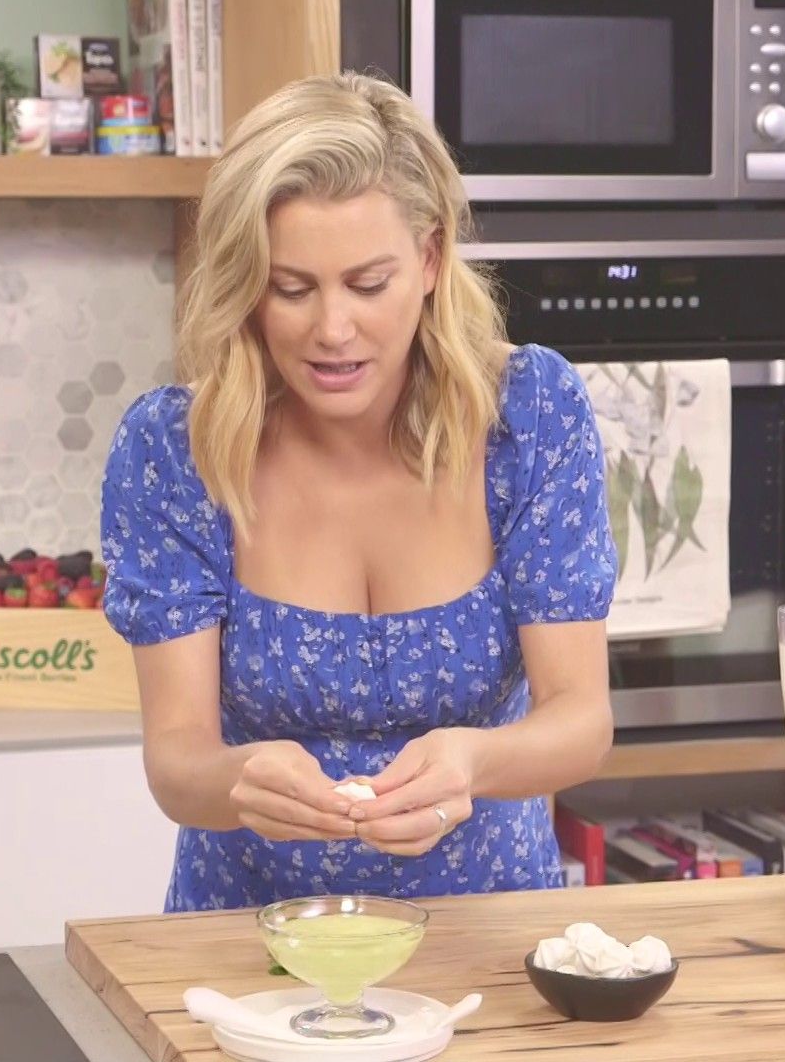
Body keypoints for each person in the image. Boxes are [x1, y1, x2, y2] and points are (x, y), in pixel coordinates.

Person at [99, 72, 619, 912]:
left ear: (430, 259)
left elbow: (580, 721)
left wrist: (474, 761)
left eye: (368, 285)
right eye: (291, 288)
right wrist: (239, 778)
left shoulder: (529, 417)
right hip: (248, 941)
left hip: (489, 933)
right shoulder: (175, 451)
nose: (332, 330)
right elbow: (177, 762)